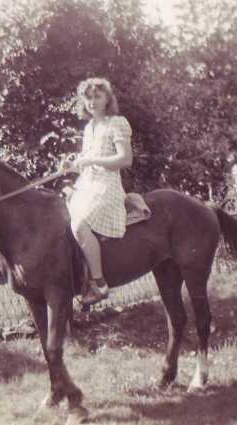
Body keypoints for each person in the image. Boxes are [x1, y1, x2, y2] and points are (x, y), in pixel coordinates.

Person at [61, 77, 133, 305]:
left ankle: (100, 283)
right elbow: (86, 161)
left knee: (79, 224)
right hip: (87, 183)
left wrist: (92, 160)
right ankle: (76, 277)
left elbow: (125, 159)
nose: (92, 102)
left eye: (97, 97)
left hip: (107, 185)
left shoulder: (117, 122)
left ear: (107, 98)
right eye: (88, 98)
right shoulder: (89, 128)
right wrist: (71, 166)